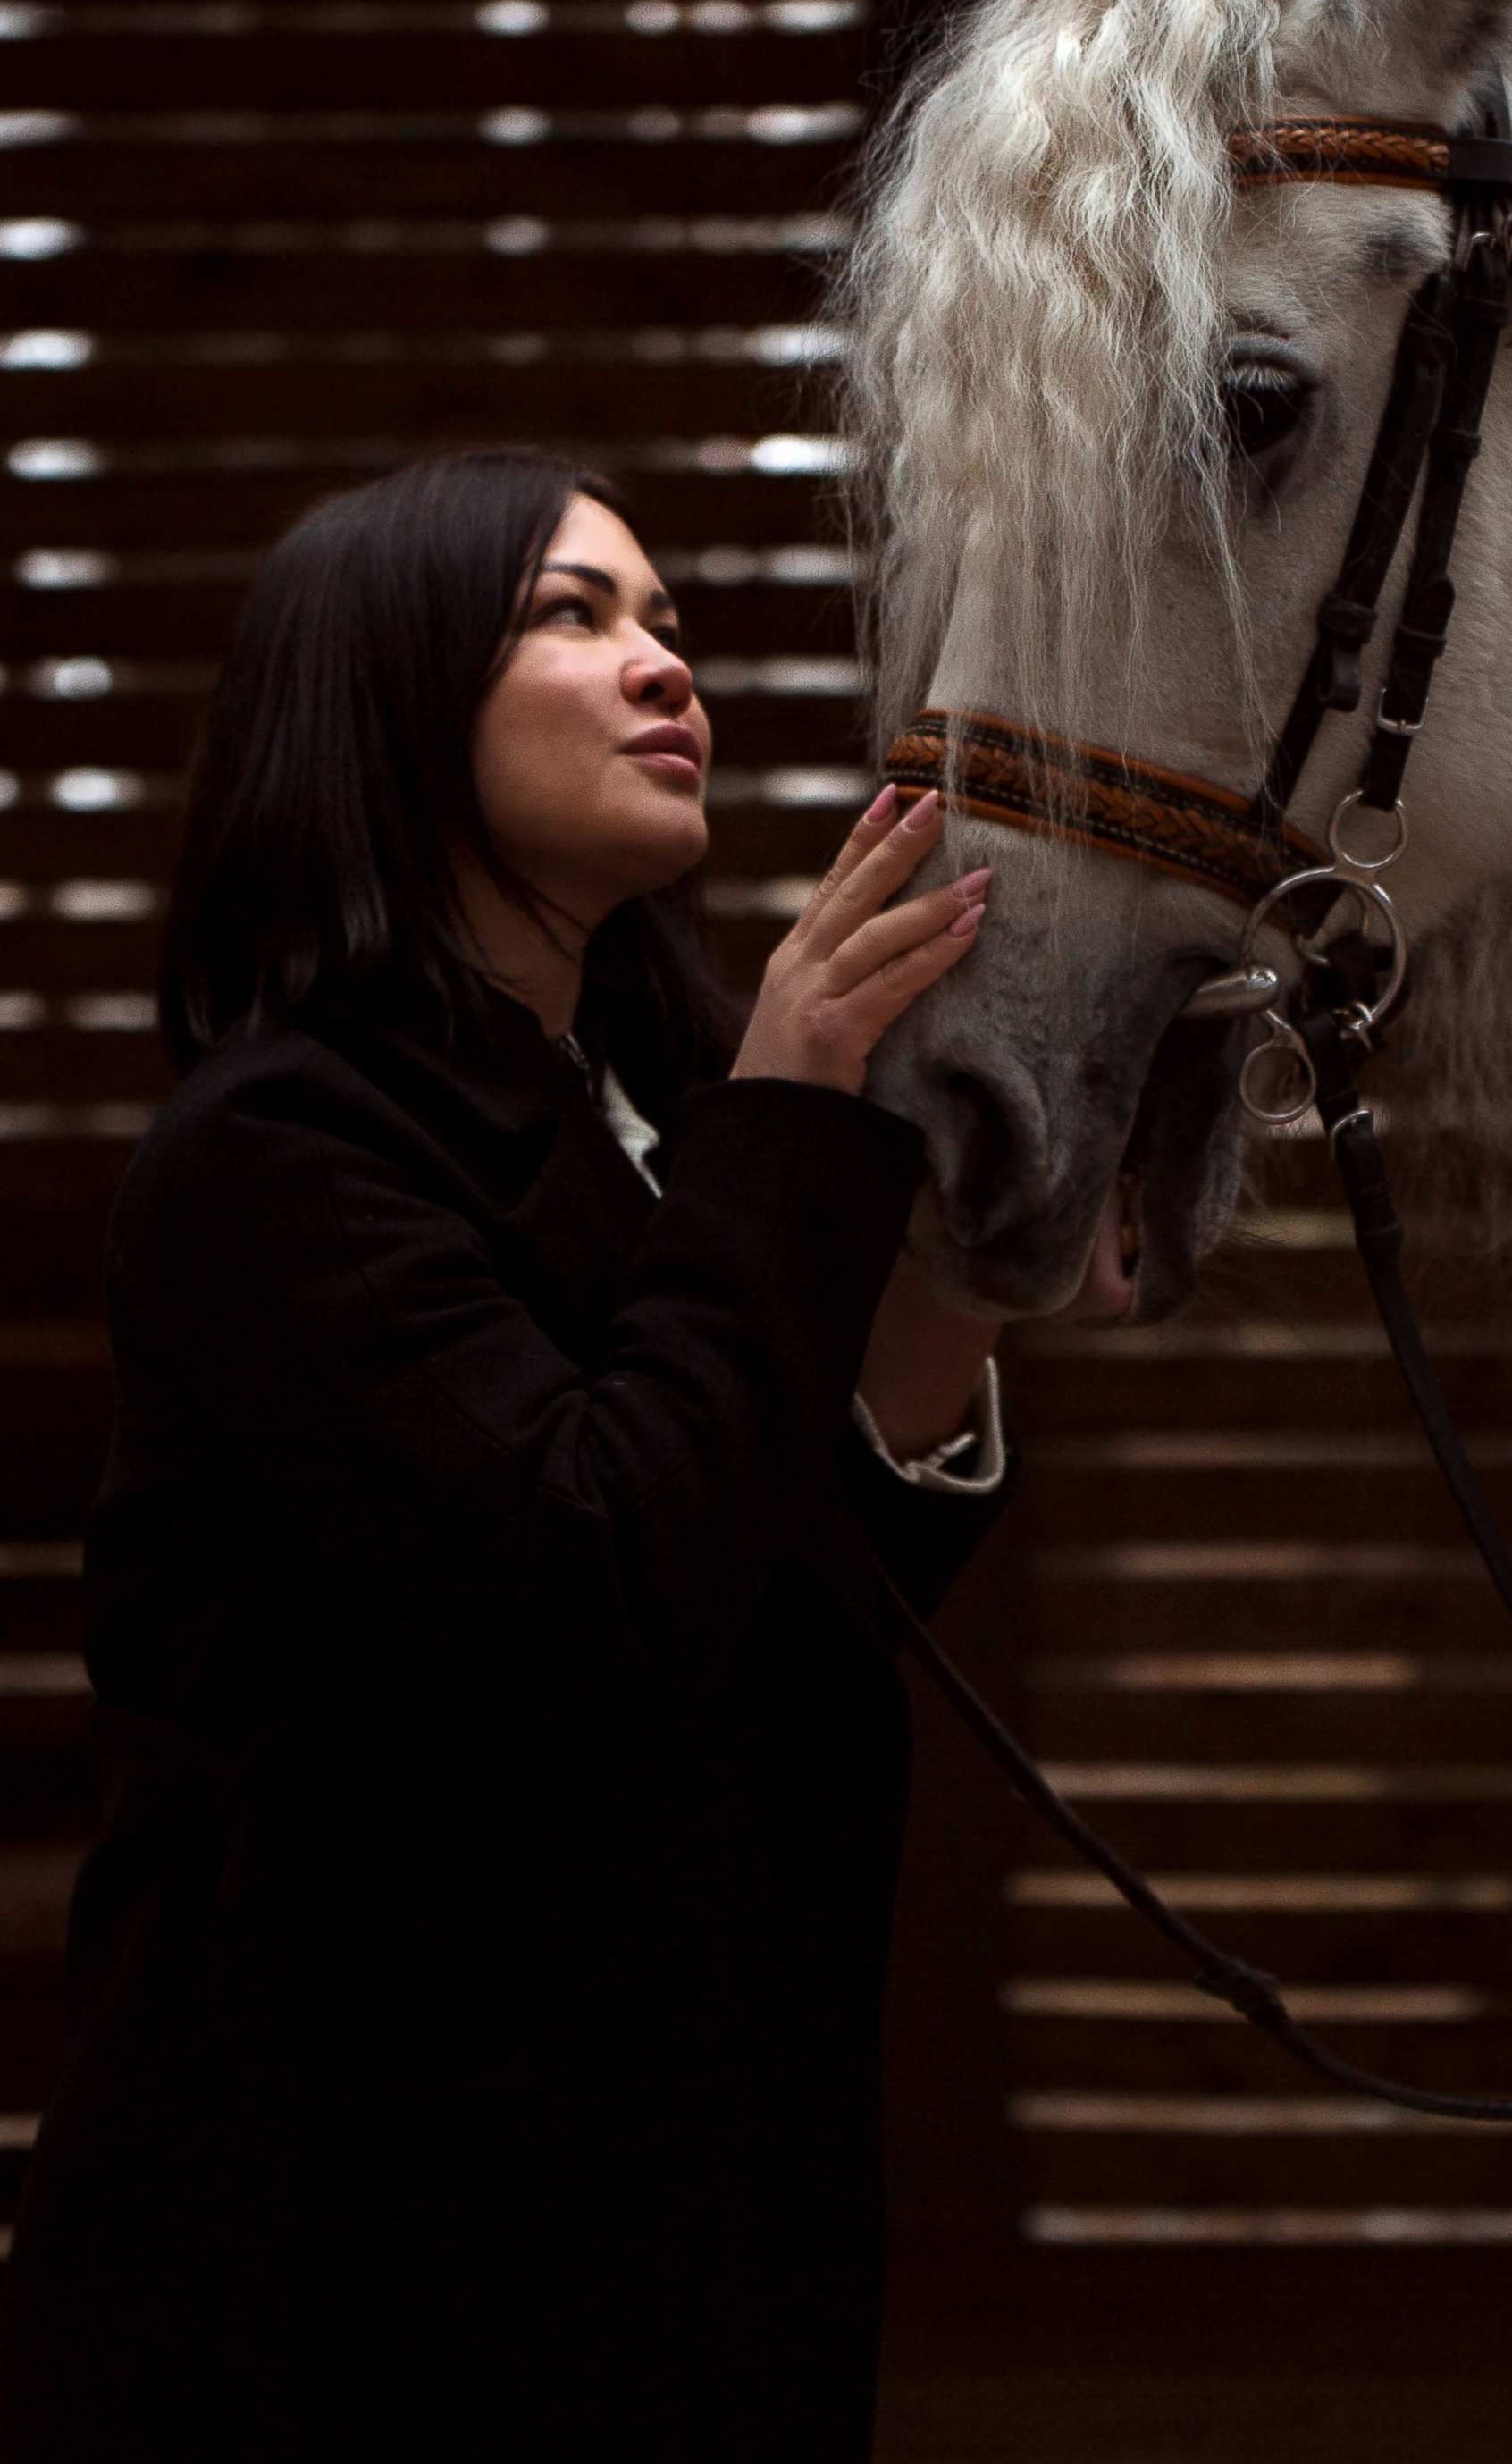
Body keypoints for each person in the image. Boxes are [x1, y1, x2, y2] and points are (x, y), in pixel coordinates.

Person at [0, 450, 1009, 2464]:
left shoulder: (641, 1115)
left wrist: (971, 1275)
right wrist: (792, 1102)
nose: (666, 672)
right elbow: (605, 1571)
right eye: (577, 614)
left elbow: (781, 1589)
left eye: (667, 625)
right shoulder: (282, 1150)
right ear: (386, 692)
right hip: (346, 2261)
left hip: (671, 2208)